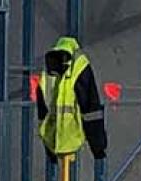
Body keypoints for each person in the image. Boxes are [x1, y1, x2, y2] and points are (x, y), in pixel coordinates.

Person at [37, 35, 109, 168]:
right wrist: (98, 148)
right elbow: (91, 109)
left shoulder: (47, 69)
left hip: (53, 138)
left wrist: (48, 148)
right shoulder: (81, 66)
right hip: (73, 136)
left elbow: (42, 112)